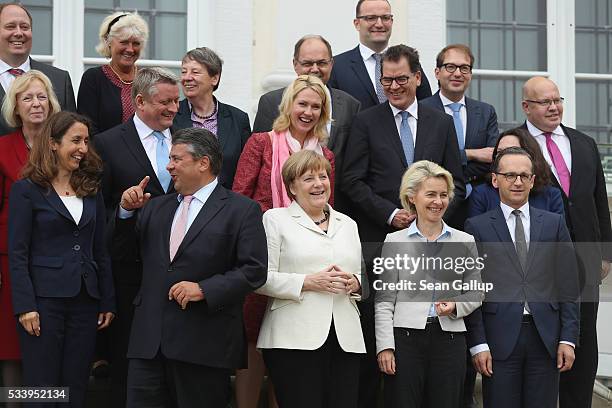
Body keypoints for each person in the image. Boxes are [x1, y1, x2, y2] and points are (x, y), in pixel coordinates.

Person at [341, 43, 465, 408]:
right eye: (386, 80)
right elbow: (351, 180)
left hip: (432, 243)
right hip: (381, 241)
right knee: (376, 332)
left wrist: (432, 217)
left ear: (418, 77)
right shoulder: (366, 120)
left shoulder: (440, 122)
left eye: (401, 79)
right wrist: (389, 214)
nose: (393, 86)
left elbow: (454, 180)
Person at [116, 127, 267, 408]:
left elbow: (254, 270)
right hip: (148, 345)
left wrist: (204, 289)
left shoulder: (242, 210)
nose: (168, 166)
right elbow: (124, 256)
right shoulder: (153, 208)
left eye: (176, 159)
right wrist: (125, 213)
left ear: (203, 163)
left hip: (204, 345)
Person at [232, 74, 335, 408]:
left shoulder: (326, 157)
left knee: (290, 345)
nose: (307, 112)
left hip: (306, 260)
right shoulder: (261, 143)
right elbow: (240, 198)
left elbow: (329, 207)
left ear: (323, 113)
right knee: (253, 342)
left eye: (315, 107)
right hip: (262, 254)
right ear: (289, 105)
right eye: (302, 104)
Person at [8, 111, 115, 408]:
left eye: (86, 141)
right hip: (43, 303)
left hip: (85, 301)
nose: (83, 148)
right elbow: (18, 254)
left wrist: (107, 300)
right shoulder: (26, 191)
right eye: (76, 140)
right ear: (53, 143)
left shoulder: (91, 190)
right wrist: (26, 306)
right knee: (41, 386)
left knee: (76, 383)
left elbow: (100, 251)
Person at [520, 76, 612, 408]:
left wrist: (605, 254)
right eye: (545, 102)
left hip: (585, 262)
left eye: (557, 100)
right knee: (542, 338)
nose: (554, 107)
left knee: (584, 342)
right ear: (526, 107)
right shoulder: (514, 142)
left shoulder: (584, 143)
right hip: (537, 260)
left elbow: (598, 201)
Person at [465, 147, 579, 408]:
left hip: (546, 338)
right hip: (497, 340)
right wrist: (478, 343)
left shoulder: (554, 224)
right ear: (495, 180)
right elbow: (471, 288)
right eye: (510, 175)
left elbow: (568, 284)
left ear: (533, 180)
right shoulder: (477, 227)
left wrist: (568, 338)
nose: (517, 182)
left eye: (524, 176)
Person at [94, 66, 179, 407]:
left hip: (180, 268)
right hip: (131, 271)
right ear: (140, 101)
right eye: (165, 102)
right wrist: (127, 209)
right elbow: (99, 214)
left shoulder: (186, 138)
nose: (174, 108)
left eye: (177, 101)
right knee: (129, 369)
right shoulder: (108, 143)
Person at [256, 149, 365, 408]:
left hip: (345, 338)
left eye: (323, 176)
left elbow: (362, 276)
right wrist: (307, 282)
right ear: (292, 186)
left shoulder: (348, 223)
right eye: (308, 178)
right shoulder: (275, 219)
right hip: (292, 338)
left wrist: (356, 283)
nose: (319, 184)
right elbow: (259, 278)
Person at [375, 160, 483, 408]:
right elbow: (384, 301)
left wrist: (455, 306)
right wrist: (385, 347)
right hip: (405, 341)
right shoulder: (394, 240)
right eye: (431, 194)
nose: (438, 201)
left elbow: (476, 293)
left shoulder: (464, 240)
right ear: (412, 197)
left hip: (450, 342)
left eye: (444, 195)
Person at [0, 69, 59, 404]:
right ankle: (13, 404)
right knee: (12, 347)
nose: (36, 104)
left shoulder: (64, 146)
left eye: (41, 97)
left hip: (55, 259)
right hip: (11, 261)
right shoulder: (2, 149)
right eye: (28, 98)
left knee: (47, 345)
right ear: (16, 107)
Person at [253, 35, 360, 212]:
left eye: (322, 63)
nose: (315, 69)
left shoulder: (350, 105)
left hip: (328, 209)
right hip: (273, 212)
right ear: (295, 64)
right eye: (308, 63)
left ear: (331, 64)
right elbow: (256, 165)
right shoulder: (270, 102)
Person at [421, 44, 499, 230]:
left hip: (478, 201)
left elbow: (492, 158)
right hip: (435, 201)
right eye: (450, 67)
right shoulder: (421, 110)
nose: (458, 73)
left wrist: (452, 159)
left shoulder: (486, 112)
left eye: (464, 68)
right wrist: (471, 154)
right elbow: (425, 158)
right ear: (437, 72)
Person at [328, 0, 431, 110]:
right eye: (371, 18)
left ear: (391, 21)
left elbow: (426, 105)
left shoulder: (408, 62)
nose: (379, 24)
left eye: (385, 18)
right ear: (357, 24)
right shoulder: (336, 67)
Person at [173, 47, 251, 189]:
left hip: (225, 204)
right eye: (184, 71)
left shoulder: (238, 119)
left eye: (195, 72)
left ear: (214, 78)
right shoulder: (171, 115)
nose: (186, 77)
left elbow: (247, 171)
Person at [0, 3, 75, 134]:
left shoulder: (60, 80)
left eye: (24, 27)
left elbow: (71, 134)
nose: (18, 33)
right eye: (10, 26)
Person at [77, 11, 149, 135]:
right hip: (104, 153)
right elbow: (87, 129)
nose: (130, 49)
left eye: (136, 43)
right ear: (108, 41)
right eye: (124, 42)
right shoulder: (93, 78)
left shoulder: (149, 80)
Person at [469, 128, 564, 218]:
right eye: (499, 152)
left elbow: (558, 233)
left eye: (512, 151)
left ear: (530, 156)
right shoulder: (482, 194)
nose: (504, 157)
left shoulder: (551, 195)